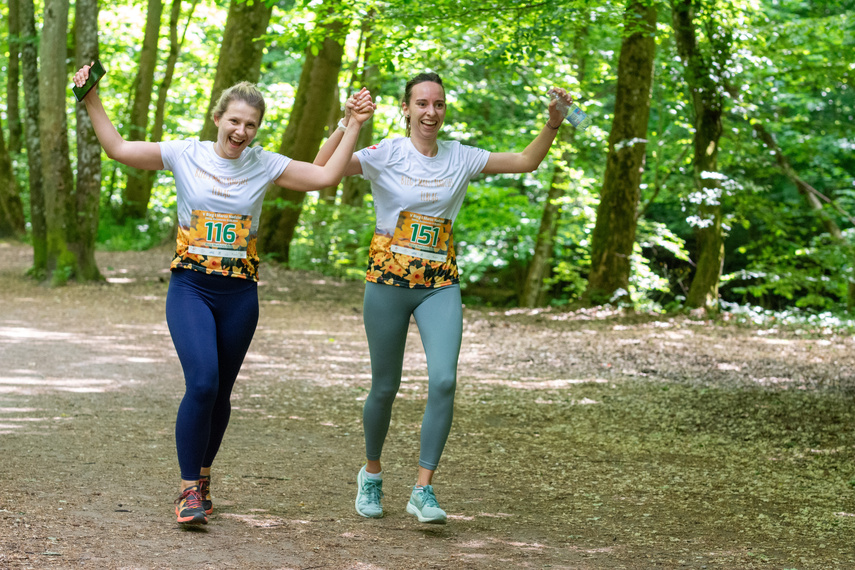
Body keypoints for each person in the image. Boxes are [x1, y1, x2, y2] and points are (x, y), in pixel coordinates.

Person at [72, 64, 375, 526]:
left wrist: (352, 124)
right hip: (191, 286)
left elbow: (324, 178)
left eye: (251, 124)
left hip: (239, 295)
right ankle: (187, 490)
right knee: (203, 383)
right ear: (218, 118)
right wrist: (90, 96)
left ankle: (205, 477)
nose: (242, 130)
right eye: (234, 120)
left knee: (222, 394)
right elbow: (117, 148)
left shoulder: (265, 162)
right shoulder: (185, 153)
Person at [314, 72, 574, 524]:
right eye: (421, 103)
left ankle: (423, 488)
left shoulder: (460, 156)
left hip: (439, 284)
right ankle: (372, 472)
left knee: (444, 381)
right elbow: (319, 171)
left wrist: (553, 123)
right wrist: (346, 123)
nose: (430, 112)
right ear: (406, 108)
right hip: (387, 283)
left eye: (438, 104)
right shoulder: (386, 152)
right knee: (385, 387)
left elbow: (526, 162)